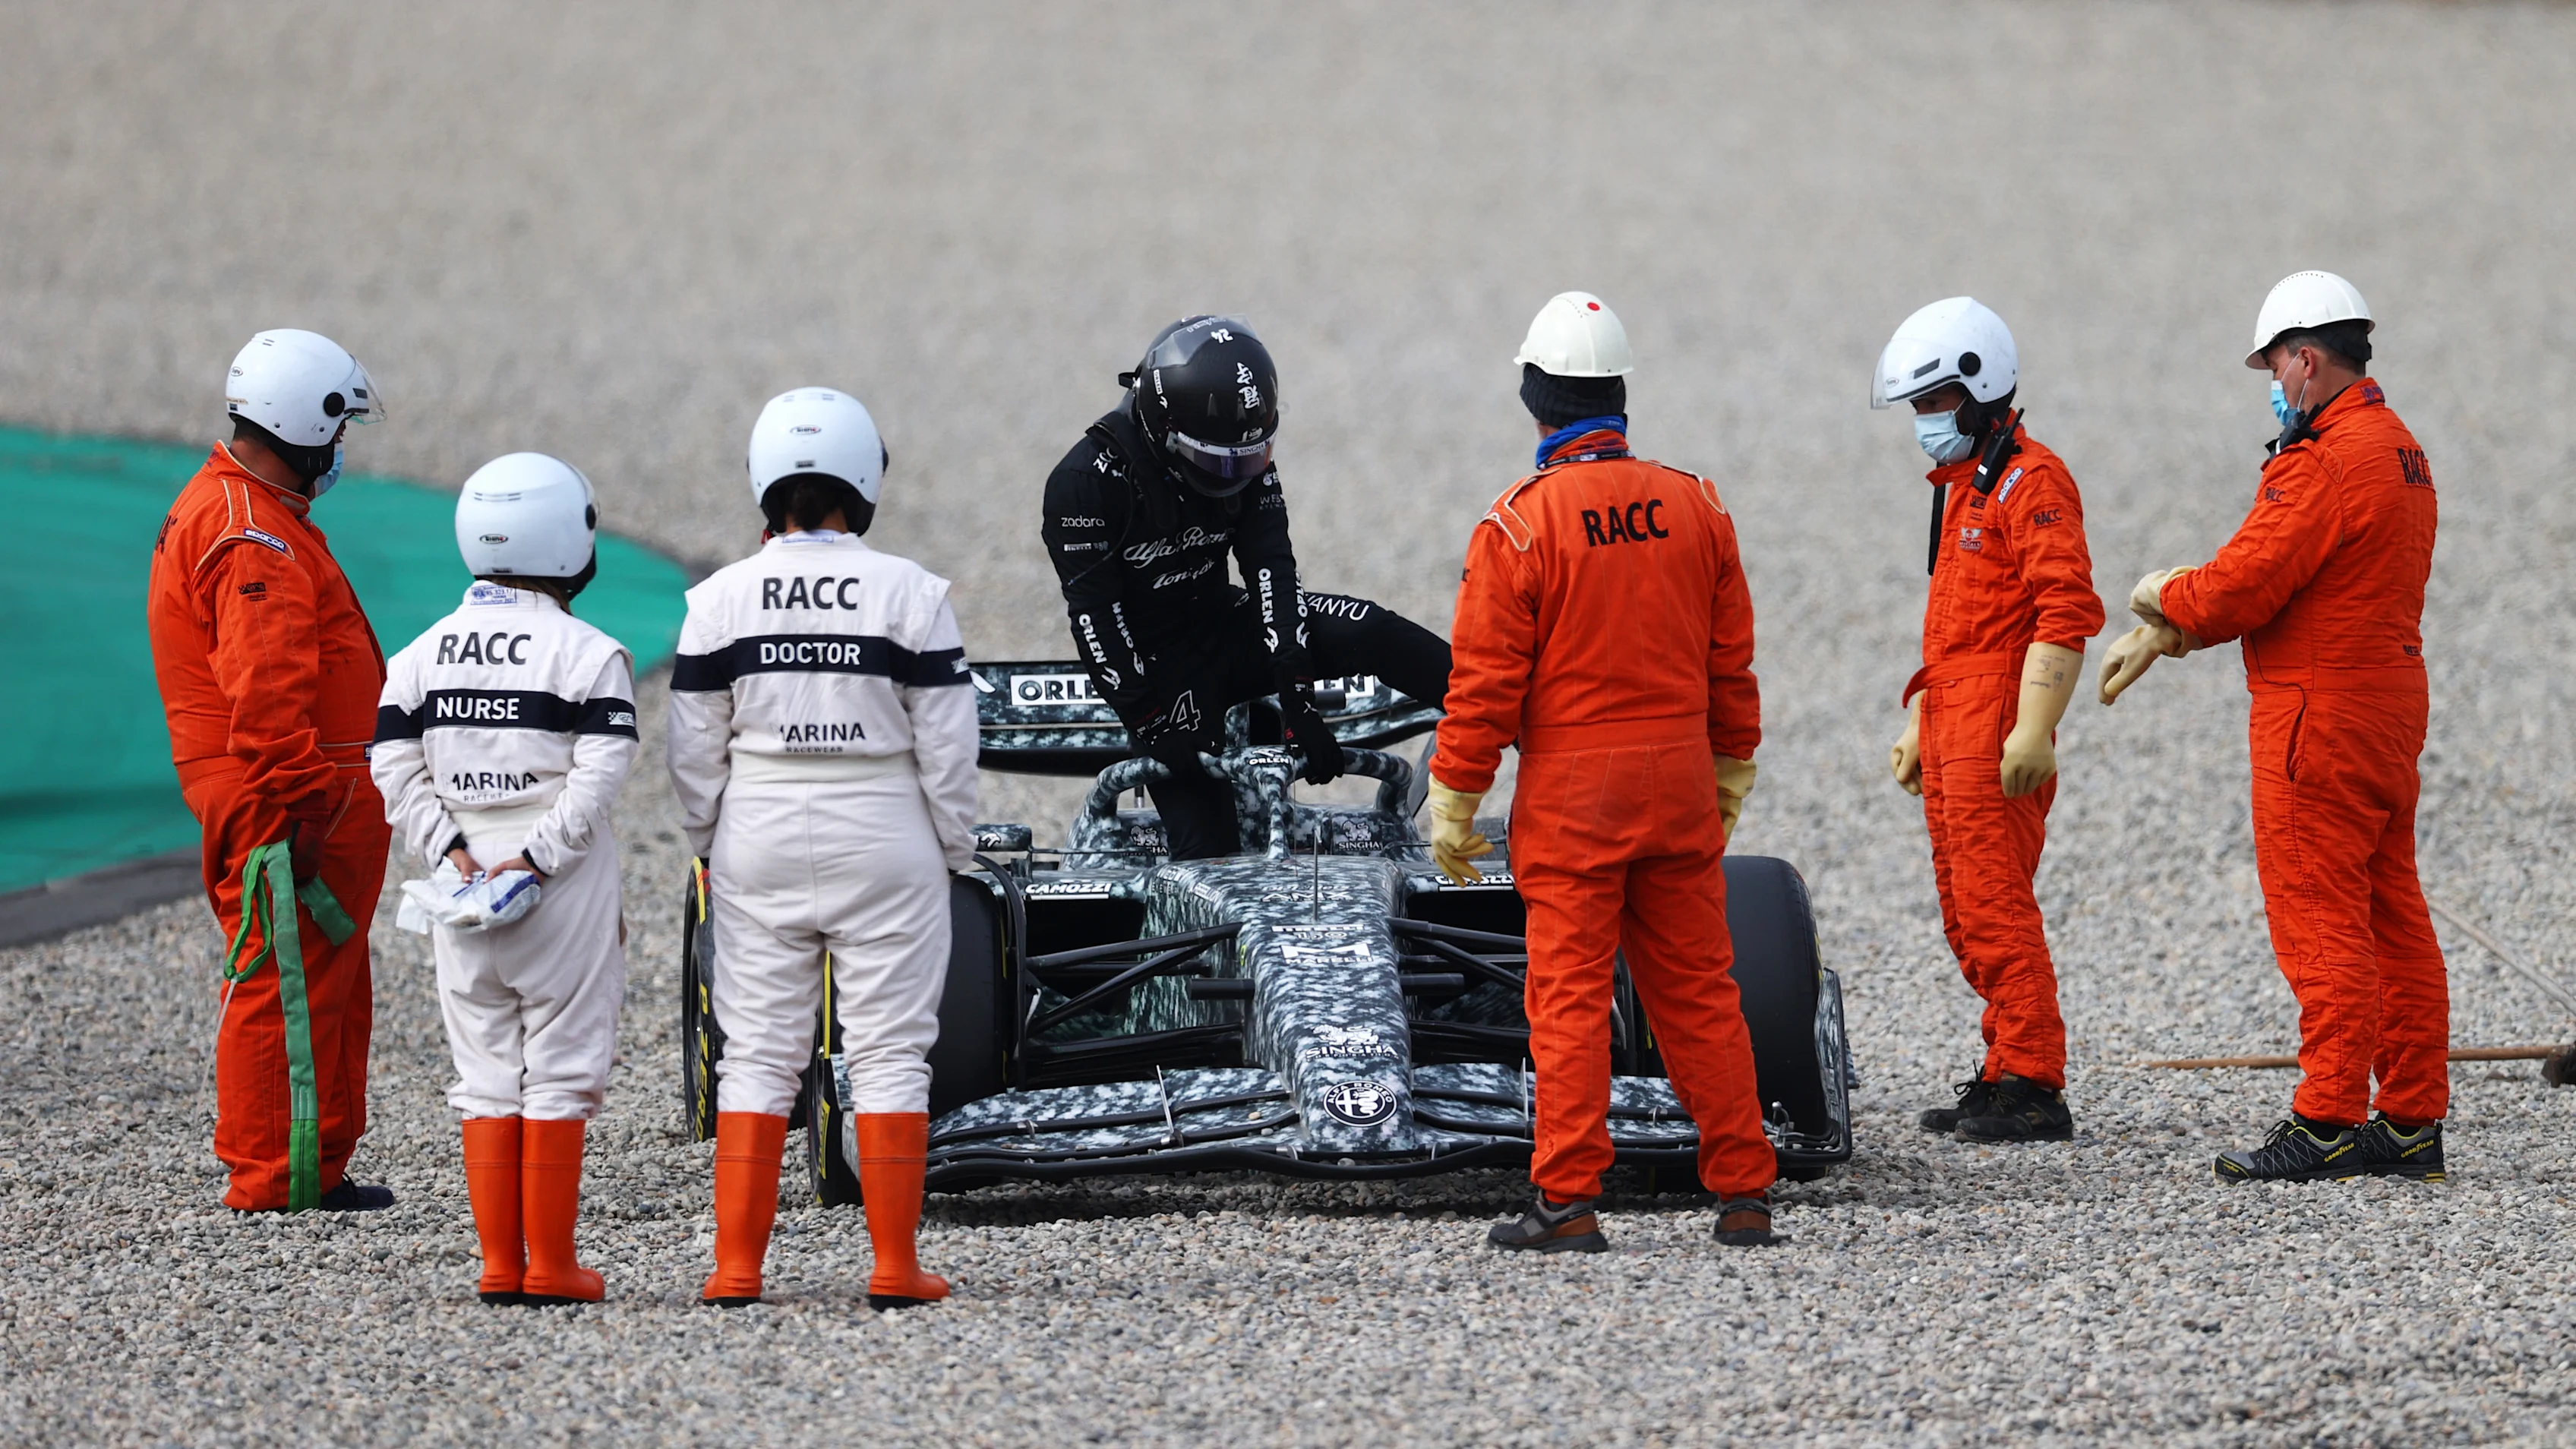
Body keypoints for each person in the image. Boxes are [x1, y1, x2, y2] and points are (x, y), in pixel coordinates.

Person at [1427, 291, 1780, 1252]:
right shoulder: (1694, 504)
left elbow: (1484, 688)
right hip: (1676, 785)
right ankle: (1744, 1192)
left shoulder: (1517, 528)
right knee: (1701, 990)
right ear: (1618, 394)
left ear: (1535, 400)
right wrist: (1729, 772)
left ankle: (1567, 1202)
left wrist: (1454, 798)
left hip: (1574, 800)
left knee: (1569, 998)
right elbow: (1729, 665)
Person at [2101, 271, 2447, 1183]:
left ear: (2304, 357)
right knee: (2391, 914)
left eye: (2272, 366)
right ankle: (2410, 1122)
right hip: (2387, 706)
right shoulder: (2400, 448)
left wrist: (2163, 598)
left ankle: (2325, 1117)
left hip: (2315, 715)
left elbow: (2242, 583)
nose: (2270, 383)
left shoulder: (2323, 459)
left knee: (2319, 915)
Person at [668, 387, 978, 1308]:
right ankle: (893, 1265)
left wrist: (708, 843)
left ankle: (736, 1268)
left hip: (756, 824)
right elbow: (949, 745)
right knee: (889, 1051)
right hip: (886, 828)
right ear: (863, 480)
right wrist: (952, 846)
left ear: (767, 483)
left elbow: (693, 747)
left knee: (756, 1054)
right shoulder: (913, 595)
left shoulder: (716, 600)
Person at [372, 453, 638, 1305]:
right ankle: (552, 1266)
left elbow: (391, 763)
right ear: (567, 538)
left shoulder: (418, 656)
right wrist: (538, 857)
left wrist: (446, 850)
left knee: (483, 1071)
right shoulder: (592, 653)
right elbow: (601, 773)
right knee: (560, 1069)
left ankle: (498, 1264)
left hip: (458, 878)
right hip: (556, 880)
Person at [1041, 315, 1451, 858]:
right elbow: (1097, 623)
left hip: (1227, 624)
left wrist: (1297, 691)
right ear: (1165, 432)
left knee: (1372, 628)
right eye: (1218, 461)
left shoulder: (1242, 444)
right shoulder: (1082, 486)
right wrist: (1153, 725)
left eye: (1251, 458)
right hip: (1158, 671)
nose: (1239, 472)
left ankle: (1526, 717)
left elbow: (1272, 569)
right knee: (1210, 853)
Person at [146, 329, 396, 1213]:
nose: (339, 451)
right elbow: (264, 691)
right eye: (338, 431)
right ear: (307, 424)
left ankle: (312, 1163)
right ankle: (273, 1177)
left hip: (290, 789)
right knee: (284, 980)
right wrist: (305, 803)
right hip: (284, 795)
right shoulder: (254, 538)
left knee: (318, 974)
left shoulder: (240, 510)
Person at [1872, 298, 2102, 1142]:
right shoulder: (1968, 488)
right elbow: (1956, 634)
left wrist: (2034, 726)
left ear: (1979, 389)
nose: (1923, 422)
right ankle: (2003, 1068)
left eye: (1933, 404)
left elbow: (2064, 610)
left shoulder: (2028, 481)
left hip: (1994, 725)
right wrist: (1918, 722)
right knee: (1967, 909)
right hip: (1957, 723)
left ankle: (2034, 1081)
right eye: (1918, 407)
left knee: (1996, 906)